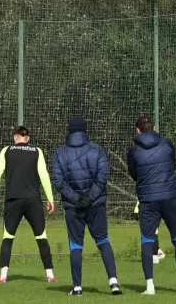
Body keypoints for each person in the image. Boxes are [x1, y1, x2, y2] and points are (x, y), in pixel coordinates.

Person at [51, 116, 122, 296]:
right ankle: (114, 283)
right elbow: (102, 177)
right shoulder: (97, 150)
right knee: (103, 241)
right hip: (96, 205)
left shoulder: (60, 152)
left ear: (69, 130)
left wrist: (76, 199)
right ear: (84, 130)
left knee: (76, 245)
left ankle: (77, 287)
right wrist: (89, 198)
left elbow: (58, 181)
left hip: (73, 207)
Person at [127, 116, 176, 296]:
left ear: (137, 130)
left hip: (147, 200)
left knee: (147, 241)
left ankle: (150, 287)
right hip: (170, 197)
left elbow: (134, 174)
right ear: (154, 127)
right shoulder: (167, 144)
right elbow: (172, 165)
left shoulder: (133, 150)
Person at [0, 125, 57, 284]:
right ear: (28, 138)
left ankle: (3, 276)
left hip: (13, 200)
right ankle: (50, 275)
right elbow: (44, 175)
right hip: (33, 200)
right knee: (41, 237)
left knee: (8, 237)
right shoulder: (37, 151)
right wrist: (50, 199)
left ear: (14, 137)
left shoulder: (6, 151)